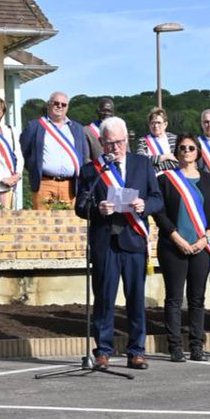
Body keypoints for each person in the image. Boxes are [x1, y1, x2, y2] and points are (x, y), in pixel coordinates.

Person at [74, 117, 163, 370]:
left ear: (127, 140)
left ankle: (136, 351)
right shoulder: (92, 170)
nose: (116, 148)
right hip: (105, 243)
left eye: (121, 142)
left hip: (133, 240)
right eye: (111, 143)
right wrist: (97, 207)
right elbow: (80, 206)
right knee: (104, 299)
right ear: (101, 143)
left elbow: (158, 199)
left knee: (135, 299)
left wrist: (144, 206)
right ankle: (102, 350)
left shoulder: (142, 164)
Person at [152, 134, 210, 362]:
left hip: (201, 246)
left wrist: (206, 238)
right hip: (173, 246)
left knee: (197, 299)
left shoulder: (209, 180)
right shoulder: (165, 180)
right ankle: (174, 347)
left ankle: (196, 346)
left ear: (198, 152)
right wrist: (177, 238)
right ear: (176, 152)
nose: (186, 151)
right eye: (182, 148)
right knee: (173, 298)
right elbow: (159, 213)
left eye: (191, 148)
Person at [21, 91, 89, 209]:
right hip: (44, 183)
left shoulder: (77, 128)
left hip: (70, 186)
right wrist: (34, 168)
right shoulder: (34, 126)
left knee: (68, 224)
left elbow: (83, 155)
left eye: (63, 104)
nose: (59, 106)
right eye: (56, 103)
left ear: (67, 107)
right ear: (48, 105)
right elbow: (24, 152)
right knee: (42, 224)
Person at [137, 108, 177, 172]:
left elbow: (177, 161)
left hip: (173, 178)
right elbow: (141, 160)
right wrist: (165, 157)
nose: (156, 126)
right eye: (153, 123)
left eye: (159, 122)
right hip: (153, 178)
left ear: (165, 124)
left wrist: (154, 162)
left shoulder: (174, 139)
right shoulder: (143, 141)